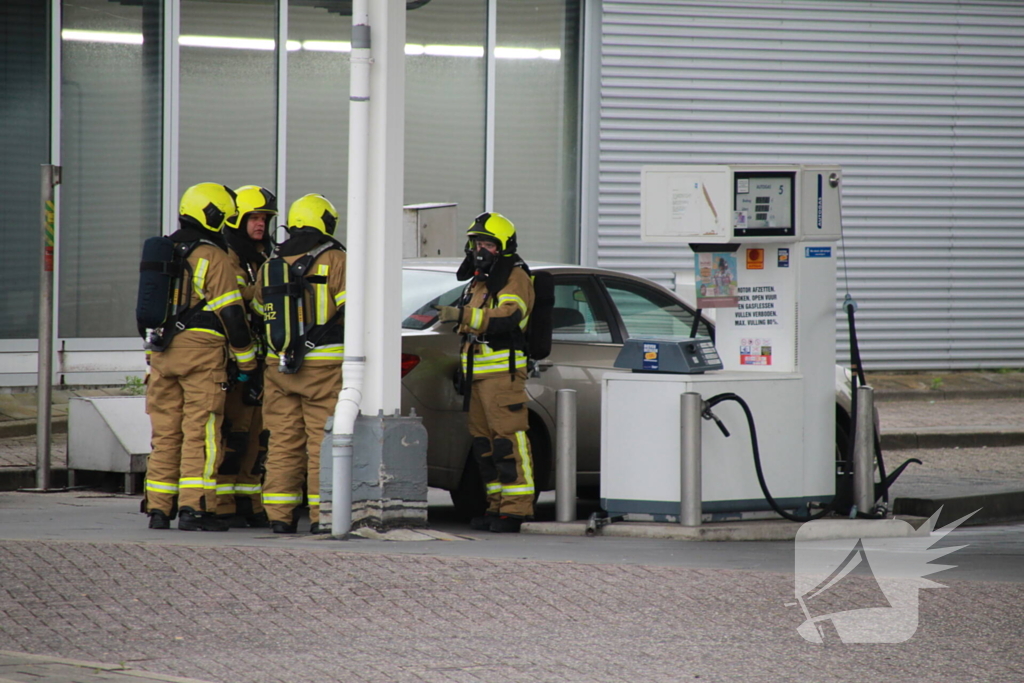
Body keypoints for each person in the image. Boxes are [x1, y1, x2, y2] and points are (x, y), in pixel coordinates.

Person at [143, 183, 257, 531]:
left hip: (163, 354)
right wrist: (248, 361)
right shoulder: (212, 255)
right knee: (201, 432)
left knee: (165, 434)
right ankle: (196, 508)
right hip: (201, 357)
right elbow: (232, 315)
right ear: (215, 214)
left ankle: (160, 509)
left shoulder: (166, 249)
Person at [435, 212, 536, 533]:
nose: (481, 249)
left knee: (508, 441)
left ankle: (516, 509)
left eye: (488, 244)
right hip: (477, 375)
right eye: (477, 243)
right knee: (484, 445)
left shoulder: (514, 277)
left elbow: (509, 317)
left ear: (503, 246)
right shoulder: (481, 280)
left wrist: (462, 314)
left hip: (502, 375)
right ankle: (496, 506)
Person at [253, 194, 346, 534]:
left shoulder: (271, 262)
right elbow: (351, 310)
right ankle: (324, 517)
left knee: (282, 441)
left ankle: (279, 515)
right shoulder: (335, 258)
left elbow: (262, 311)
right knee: (322, 442)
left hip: (278, 365)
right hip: (323, 367)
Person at [214, 185, 276, 528]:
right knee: (232, 435)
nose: (260, 225)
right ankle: (222, 503)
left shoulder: (263, 258)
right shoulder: (227, 257)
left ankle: (249, 502)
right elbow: (235, 302)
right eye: (253, 217)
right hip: (232, 361)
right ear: (237, 220)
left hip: (259, 359)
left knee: (257, 435)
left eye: (265, 219)